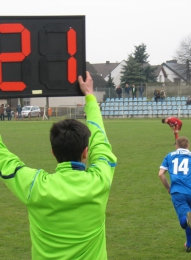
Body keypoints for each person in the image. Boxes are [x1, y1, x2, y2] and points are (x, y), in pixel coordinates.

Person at [0, 71, 117, 259]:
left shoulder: (35, 186)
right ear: (86, 152)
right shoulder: (100, 180)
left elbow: (3, 158)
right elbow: (100, 141)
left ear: (53, 152)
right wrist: (90, 97)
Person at [158, 136, 191, 253]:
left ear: (176, 146)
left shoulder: (169, 156)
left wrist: (168, 188)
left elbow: (161, 174)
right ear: (188, 146)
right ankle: (188, 244)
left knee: (185, 221)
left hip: (178, 192)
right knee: (190, 217)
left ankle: (186, 220)